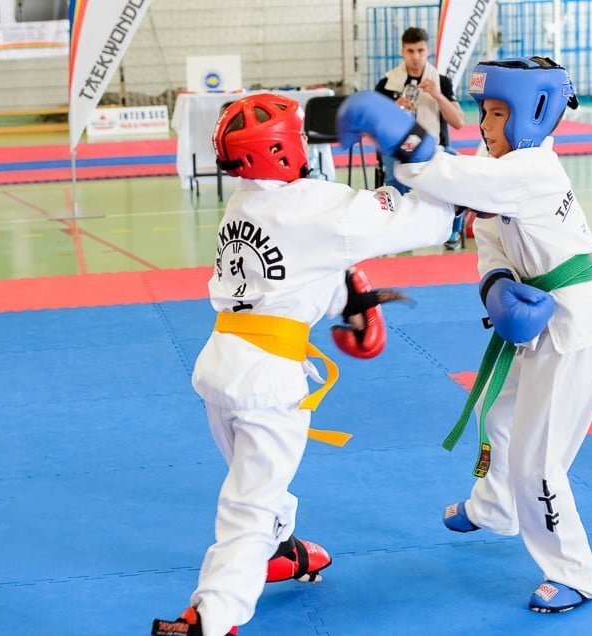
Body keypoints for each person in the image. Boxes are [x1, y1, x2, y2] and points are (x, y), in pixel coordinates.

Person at [152, 92, 456, 636]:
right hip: (267, 380)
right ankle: (210, 619)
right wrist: (415, 151)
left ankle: (282, 548)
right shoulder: (315, 205)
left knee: (253, 478)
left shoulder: (242, 203)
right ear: (282, 148)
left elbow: (290, 273)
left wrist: (348, 300)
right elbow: (428, 222)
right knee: (249, 504)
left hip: (221, 367)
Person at [339, 56, 592, 614]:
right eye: (483, 112)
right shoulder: (503, 175)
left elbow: (454, 178)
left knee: (539, 463)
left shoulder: (531, 170)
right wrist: (493, 288)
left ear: (535, 113)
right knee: (501, 417)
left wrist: (401, 135)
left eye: (497, 113)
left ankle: (576, 573)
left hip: (574, 330)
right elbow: (483, 229)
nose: (485, 125)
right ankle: (496, 509)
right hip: (540, 320)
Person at [375, 26, 465, 251]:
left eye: (420, 51)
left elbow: (458, 122)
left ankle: (453, 231)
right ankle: (399, 229)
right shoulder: (387, 83)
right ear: (402, 52)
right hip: (398, 148)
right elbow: (374, 127)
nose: (416, 57)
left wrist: (437, 95)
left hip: (434, 146)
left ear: (428, 51)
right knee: (392, 168)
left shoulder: (441, 81)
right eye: (410, 51)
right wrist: (392, 109)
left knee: (460, 172)